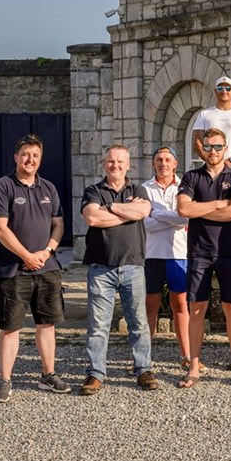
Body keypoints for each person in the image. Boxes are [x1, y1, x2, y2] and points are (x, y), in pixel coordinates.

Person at [0, 134, 69, 403]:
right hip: (14, 270)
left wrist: (46, 252)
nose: (30, 160)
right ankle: (5, 381)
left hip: (47, 268)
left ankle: (48, 375)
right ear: (16, 157)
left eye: (35, 155)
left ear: (40, 159)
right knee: (11, 327)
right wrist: (26, 256)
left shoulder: (49, 189)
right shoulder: (3, 187)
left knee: (46, 324)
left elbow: (59, 224)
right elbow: (0, 228)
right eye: (25, 155)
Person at [80, 145, 159, 394]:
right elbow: (92, 218)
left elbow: (144, 211)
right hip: (100, 267)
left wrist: (110, 208)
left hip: (133, 265)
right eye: (111, 161)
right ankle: (95, 373)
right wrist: (126, 211)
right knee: (98, 325)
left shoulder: (138, 190)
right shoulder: (93, 190)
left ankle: (143, 369)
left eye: (120, 161)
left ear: (128, 165)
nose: (115, 165)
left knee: (139, 322)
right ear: (105, 164)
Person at [177, 128, 231, 388]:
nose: (213, 152)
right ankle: (194, 368)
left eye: (218, 147)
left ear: (226, 148)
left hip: (229, 251)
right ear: (202, 148)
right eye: (208, 147)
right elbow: (184, 208)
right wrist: (219, 204)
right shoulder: (191, 177)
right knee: (197, 310)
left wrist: (201, 210)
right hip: (199, 252)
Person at [141, 146, 190, 369]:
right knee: (150, 305)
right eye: (159, 159)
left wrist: (157, 214)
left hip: (178, 254)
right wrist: (172, 219)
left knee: (180, 304)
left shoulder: (184, 187)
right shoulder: (143, 189)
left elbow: (185, 219)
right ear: (154, 163)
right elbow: (143, 224)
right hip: (151, 255)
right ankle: (145, 357)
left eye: (167, 159)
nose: (163, 163)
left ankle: (187, 355)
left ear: (175, 163)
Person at [191, 75, 231, 171]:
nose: (224, 91)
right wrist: (210, 161)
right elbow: (197, 142)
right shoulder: (204, 114)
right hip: (210, 169)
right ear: (215, 91)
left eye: (228, 88)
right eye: (220, 88)